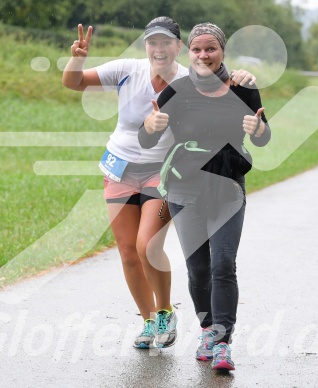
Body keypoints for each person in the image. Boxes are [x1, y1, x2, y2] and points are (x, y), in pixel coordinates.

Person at [62, 17, 257, 349]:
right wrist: (77, 57)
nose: (159, 48)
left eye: (166, 42)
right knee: (127, 253)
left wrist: (245, 77)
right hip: (119, 168)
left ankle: (166, 312)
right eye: (152, 42)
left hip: (165, 172)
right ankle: (149, 321)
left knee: (146, 246)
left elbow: (219, 71)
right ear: (146, 46)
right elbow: (74, 82)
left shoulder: (188, 77)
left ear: (178, 47)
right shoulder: (128, 69)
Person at [139, 22, 271, 370]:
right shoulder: (177, 90)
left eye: (210, 48)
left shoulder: (242, 87)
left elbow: (262, 135)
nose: (203, 55)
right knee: (199, 270)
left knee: (223, 264)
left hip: (227, 188)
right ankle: (208, 329)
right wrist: (148, 128)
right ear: (189, 52)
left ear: (222, 51)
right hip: (186, 189)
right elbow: (148, 137)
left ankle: (223, 342)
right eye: (197, 49)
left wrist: (259, 129)